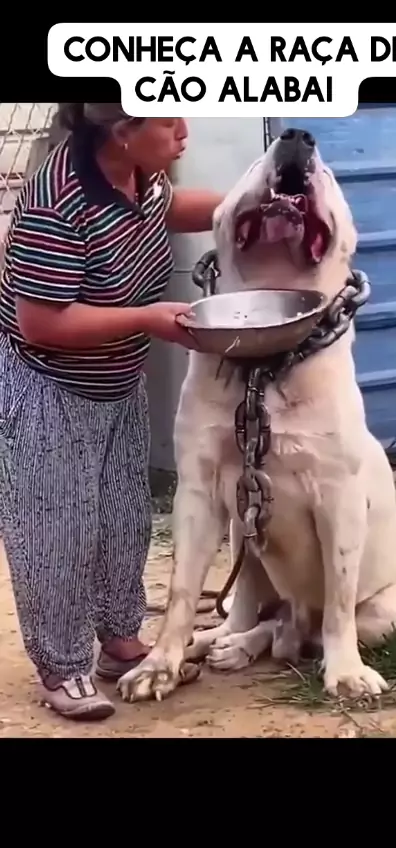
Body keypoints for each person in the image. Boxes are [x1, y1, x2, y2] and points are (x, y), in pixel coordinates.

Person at [0, 105, 223, 721]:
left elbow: (168, 209)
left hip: (117, 380)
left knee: (123, 518)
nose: (184, 133)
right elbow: (42, 324)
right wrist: (149, 318)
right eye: (169, 123)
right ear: (122, 132)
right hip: (49, 384)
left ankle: (120, 640)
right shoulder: (57, 202)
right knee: (56, 530)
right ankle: (61, 666)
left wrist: (249, 206)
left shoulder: (139, 175)